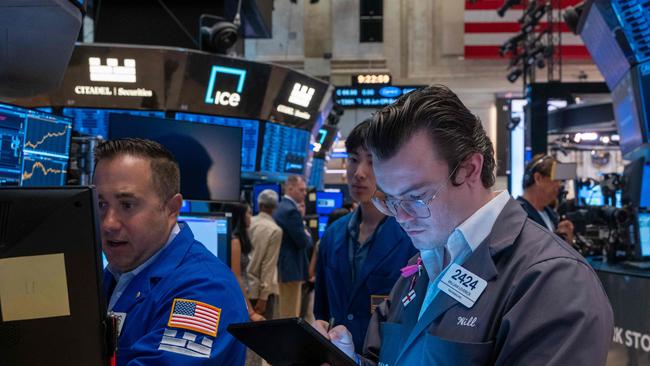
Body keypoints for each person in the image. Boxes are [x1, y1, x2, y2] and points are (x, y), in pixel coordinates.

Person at [315, 85, 613, 365]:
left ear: (470, 169)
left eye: (416, 197)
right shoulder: (422, 265)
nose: (402, 217)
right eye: (391, 200)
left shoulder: (553, 281)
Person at [94, 138, 247, 365]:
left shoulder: (204, 292)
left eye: (127, 205)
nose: (108, 224)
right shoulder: (117, 274)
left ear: (172, 209)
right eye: (101, 204)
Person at [314, 119, 417, 351]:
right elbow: (322, 308)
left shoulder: (413, 236)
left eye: (371, 162)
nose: (359, 173)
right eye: (353, 160)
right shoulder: (332, 235)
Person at [273, 175, 313, 318]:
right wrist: (306, 230)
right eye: (301, 190)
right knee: (290, 313)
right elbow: (304, 242)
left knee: (283, 310)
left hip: (283, 267)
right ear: (290, 188)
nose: (304, 193)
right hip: (291, 268)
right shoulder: (291, 211)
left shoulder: (280, 206)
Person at [517, 154, 575, 244]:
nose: (559, 185)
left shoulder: (552, 214)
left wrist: (566, 243)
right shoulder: (518, 216)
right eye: (556, 180)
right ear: (538, 178)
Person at [247, 189, 283, 320]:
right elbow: (268, 265)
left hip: (246, 289)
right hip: (261, 292)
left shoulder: (249, 223)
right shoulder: (275, 230)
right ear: (276, 207)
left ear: (259, 204)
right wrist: (264, 297)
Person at [226, 202, 265, 322]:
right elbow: (236, 277)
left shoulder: (236, 239)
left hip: (240, 296)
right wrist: (251, 312)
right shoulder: (234, 241)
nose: (251, 217)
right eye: (248, 213)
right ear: (240, 216)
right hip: (237, 298)